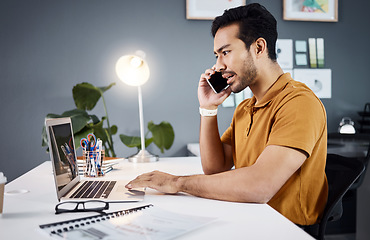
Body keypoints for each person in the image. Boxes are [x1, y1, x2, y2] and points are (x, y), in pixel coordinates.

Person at [126, 3, 328, 226]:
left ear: (259, 48)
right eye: (216, 55)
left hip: (284, 228)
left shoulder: (298, 103)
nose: (218, 65)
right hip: (248, 217)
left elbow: (260, 186)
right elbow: (215, 167)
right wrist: (208, 108)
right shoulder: (246, 108)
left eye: (226, 52)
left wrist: (177, 183)